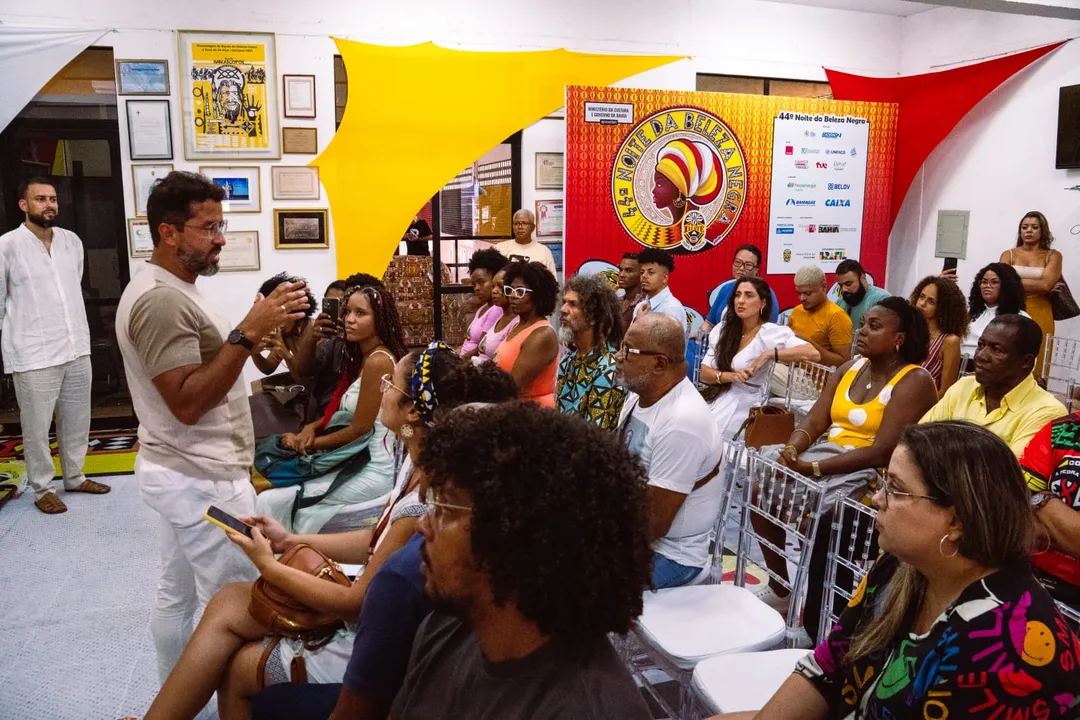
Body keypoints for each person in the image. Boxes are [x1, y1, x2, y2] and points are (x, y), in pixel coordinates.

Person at [146, 348, 520, 720]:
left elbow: (357, 604)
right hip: (371, 609)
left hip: (372, 635)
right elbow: (376, 540)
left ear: (410, 411)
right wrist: (293, 541)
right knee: (229, 600)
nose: (382, 390)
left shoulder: (426, 499)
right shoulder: (412, 462)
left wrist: (267, 565)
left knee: (239, 658)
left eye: (390, 384)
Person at [728, 422, 1080, 720]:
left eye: (895, 489)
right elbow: (829, 664)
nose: (877, 499)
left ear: (957, 520)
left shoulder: (1004, 654)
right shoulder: (900, 566)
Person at [115, 170, 311, 682]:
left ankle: (174, 699)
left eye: (221, 225)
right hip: (201, 478)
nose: (221, 238)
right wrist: (250, 329)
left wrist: (252, 332)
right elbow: (187, 402)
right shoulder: (161, 301)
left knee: (176, 593)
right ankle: (226, 703)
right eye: (208, 228)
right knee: (241, 601)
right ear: (169, 233)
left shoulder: (176, 287)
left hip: (182, 469)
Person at [389, 402, 654, 719]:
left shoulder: (582, 710)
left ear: (511, 536)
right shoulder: (445, 627)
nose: (423, 524)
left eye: (445, 506)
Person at [769, 298, 938, 617]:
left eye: (874, 327)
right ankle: (782, 590)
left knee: (827, 522)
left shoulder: (915, 381)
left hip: (874, 477)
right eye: (863, 324)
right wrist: (793, 448)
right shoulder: (849, 368)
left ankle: (826, 614)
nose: (861, 331)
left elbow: (882, 451)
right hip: (827, 461)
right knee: (761, 491)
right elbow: (816, 420)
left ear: (899, 338)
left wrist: (812, 467)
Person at [254, 285, 408, 533]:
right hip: (354, 458)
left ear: (379, 319)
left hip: (373, 466)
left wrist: (305, 442)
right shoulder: (362, 357)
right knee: (271, 498)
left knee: (274, 501)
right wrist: (312, 427)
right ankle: (281, 560)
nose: (349, 319)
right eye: (347, 312)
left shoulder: (379, 361)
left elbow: (359, 429)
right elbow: (341, 408)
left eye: (360, 313)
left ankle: (289, 560)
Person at [0, 176, 108, 514]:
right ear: (24, 205)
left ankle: (74, 476)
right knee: (36, 426)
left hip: (75, 344)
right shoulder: (7, 245)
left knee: (77, 418)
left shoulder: (71, 242)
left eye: (53, 199)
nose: (49, 205)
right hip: (33, 350)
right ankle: (42, 488)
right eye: (41, 199)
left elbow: (72, 285)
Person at [616, 313, 724, 588]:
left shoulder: (681, 422)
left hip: (672, 556)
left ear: (659, 364)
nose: (618, 356)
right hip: (634, 533)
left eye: (628, 350)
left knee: (570, 586)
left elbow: (653, 524)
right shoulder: (640, 396)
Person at [921, 315, 1066, 457]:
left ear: (1026, 362)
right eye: (981, 345)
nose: (981, 356)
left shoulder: (1047, 412)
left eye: (996, 350)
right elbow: (919, 441)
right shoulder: (964, 387)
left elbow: (1006, 474)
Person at [700, 277, 820, 439]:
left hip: (744, 406)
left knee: (714, 439)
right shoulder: (723, 330)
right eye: (738, 295)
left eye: (749, 296)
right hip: (716, 396)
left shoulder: (768, 333)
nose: (741, 301)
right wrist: (731, 377)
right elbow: (703, 373)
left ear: (763, 303)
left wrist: (770, 354)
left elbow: (813, 353)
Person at [1021, 411, 1080, 607]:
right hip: (1031, 572)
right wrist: (1069, 532)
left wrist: (1044, 501)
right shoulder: (1060, 430)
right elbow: (1016, 512)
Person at [556, 274, 626, 430]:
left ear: (593, 317)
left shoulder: (609, 368)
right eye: (564, 302)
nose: (563, 309)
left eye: (573, 304)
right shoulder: (568, 360)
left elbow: (595, 435)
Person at [1001, 210, 1063, 376]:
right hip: (1012, 309)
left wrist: (1013, 281)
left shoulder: (1053, 255)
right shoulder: (1009, 254)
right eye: (1024, 227)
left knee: (1039, 357)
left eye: (1034, 227)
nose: (1028, 231)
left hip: (1041, 310)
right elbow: (1001, 282)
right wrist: (1038, 284)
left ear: (1043, 231)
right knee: (1008, 354)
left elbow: (1045, 285)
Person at [494, 260, 560, 407]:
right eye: (510, 290)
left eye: (520, 292)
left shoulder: (542, 335)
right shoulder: (518, 325)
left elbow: (514, 386)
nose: (512, 296)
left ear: (538, 295)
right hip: (514, 409)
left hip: (533, 416)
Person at [699, 245, 780, 338]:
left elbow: (768, 331)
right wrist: (699, 335)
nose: (741, 268)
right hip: (719, 343)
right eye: (738, 262)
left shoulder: (767, 293)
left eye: (748, 265)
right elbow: (709, 323)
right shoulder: (726, 289)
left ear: (756, 269)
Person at [249, 272, 318, 378]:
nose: (276, 322)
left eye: (282, 313)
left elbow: (308, 383)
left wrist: (285, 353)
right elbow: (268, 368)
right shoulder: (288, 331)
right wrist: (253, 350)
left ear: (296, 309)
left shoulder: (315, 331)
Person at [910, 275, 969, 398]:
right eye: (921, 297)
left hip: (928, 406)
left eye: (931, 301)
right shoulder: (908, 331)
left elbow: (946, 391)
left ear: (943, 308)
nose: (922, 304)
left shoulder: (950, 341)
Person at [787, 264, 852, 368]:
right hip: (792, 372)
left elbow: (844, 363)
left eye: (807, 293)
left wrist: (810, 346)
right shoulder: (797, 311)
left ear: (823, 287)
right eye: (799, 293)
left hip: (816, 380)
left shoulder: (837, 316)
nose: (802, 298)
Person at [962, 262, 1029, 360]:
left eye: (994, 282)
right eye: (984, 282)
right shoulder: (968, 312)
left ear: (1006, 286)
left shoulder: (1020, 317)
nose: (987, 286)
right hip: (961, 363)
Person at [459, 247, 508, 359]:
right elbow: (468, 342)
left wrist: (457, 362)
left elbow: (480, 349)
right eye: (474, 284)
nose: (476, 288)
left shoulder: (496, 309)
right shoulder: (483, 307)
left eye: (481, 282)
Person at [633, 247, 688, 337]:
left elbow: (664, 349)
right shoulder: (640, 306)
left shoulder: (672, 309)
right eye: (642, 272)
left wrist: (640, 323)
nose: (644, 276)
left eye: (650, 273)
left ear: (664, 277)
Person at [473, 267, 517, 365]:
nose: (494, 291)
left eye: (500, 287)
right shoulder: (500, 317)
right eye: (493, 286)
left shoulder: (516, 322)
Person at [495, 209, 557, 276]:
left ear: (533, 227)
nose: (520, 227)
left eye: (524, 223)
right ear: (513, 227)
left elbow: (552, 282)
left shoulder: (544, 251)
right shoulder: (500, 248)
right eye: (516, 224)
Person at [833, 258, 890, 332]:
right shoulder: (839, 303)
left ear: (862, 278)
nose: (844, 289)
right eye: (840, 285)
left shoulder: (882, 299)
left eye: (848, 284)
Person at [618, 251, 645, 331]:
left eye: (629, 271)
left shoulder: (645, 305)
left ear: (641, 274)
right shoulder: (615, 302)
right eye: (620, 270)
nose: (622, 275)